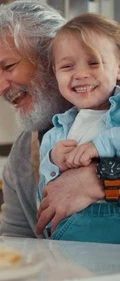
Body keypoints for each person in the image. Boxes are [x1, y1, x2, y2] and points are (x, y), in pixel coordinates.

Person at [0, 0, 106, 238]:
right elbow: (17, 242)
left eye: (8, 66)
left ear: (51, 57)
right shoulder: (23, 152)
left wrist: (101, 179)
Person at [37, 13, 120, 242]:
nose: (81, 74)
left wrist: (100, 145)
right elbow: (45, 198)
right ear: (55, 74)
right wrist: (53, 164)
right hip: (68, 243)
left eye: (94, 62)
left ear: (118, 69)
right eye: (66, 66)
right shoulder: (54, 135)